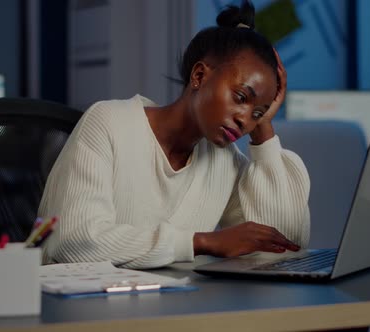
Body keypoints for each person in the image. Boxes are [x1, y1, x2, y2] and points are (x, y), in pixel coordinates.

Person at [38, 0, 310, 269]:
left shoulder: (225, 162)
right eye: (240, 97)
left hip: (170, 307)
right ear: (200, 75)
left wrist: (263, 133)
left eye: (257, 113)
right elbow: (73, 240)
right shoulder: (108, 123)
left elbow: (280, 245)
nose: (244, 120)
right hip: (81, 308)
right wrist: (200, 242)